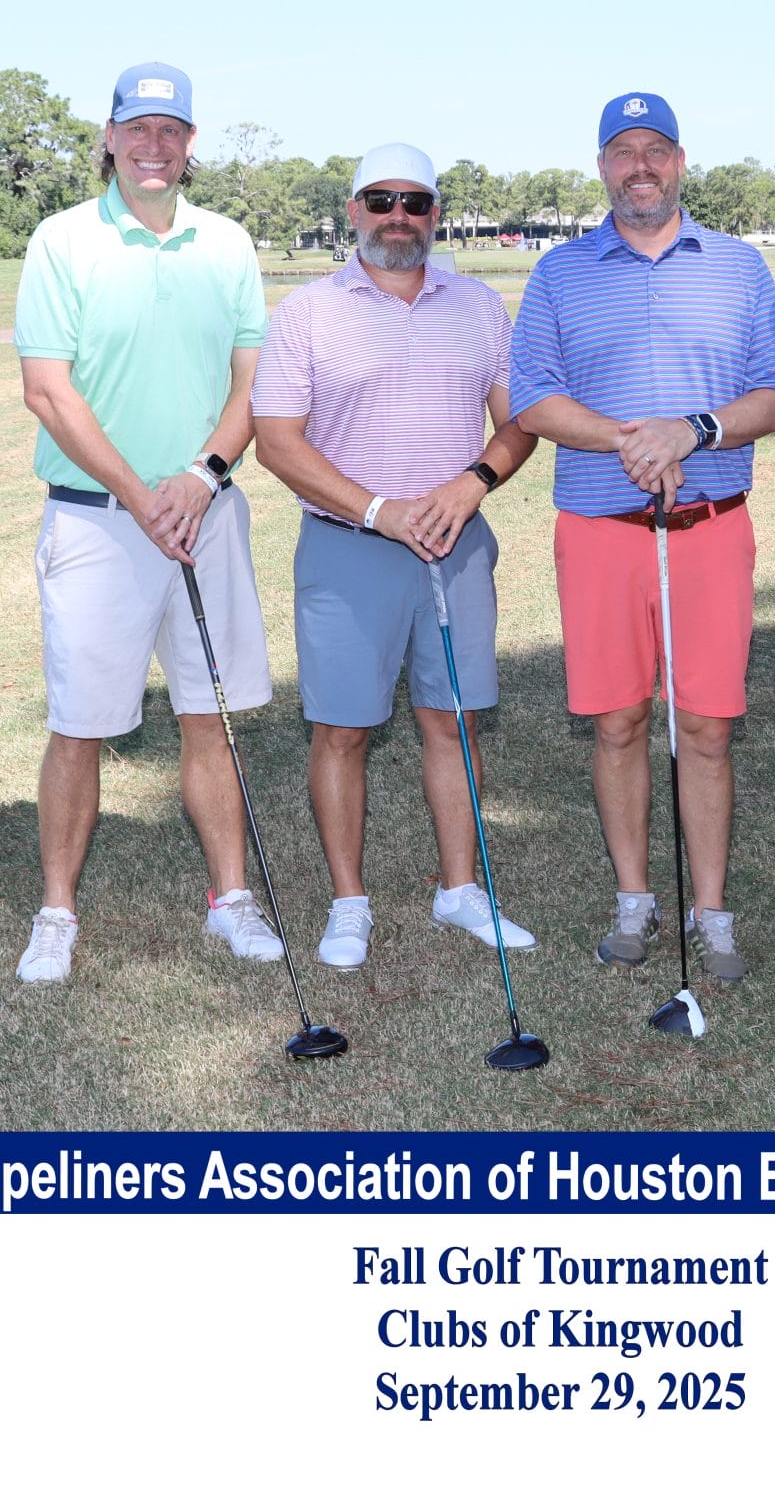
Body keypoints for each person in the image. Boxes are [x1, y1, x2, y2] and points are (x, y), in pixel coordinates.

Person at [509, 93, 775, 979]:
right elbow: (533, 397)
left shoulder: (739, 265)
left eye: (656, 149)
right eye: (623, 150)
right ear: (603, 166)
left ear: (680, 160)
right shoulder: (559, 272)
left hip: (709, 526)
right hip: (601, 530)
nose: (641, 165)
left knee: (706, 725)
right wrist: (631, 440)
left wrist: (692, 431)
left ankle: (711, 910)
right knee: (619, 720)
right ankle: (634, 898)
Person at [10, 61, 281, 982]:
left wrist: (202, 477)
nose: (154, 145)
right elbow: (48, 391)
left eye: (171, 130)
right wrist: (139, 492)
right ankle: (56, 911)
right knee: (80, 724)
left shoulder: (227, 243)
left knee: (209, 718)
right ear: (111, 137)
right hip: (98, 521)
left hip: (207, 513)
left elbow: (255, 384)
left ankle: (231, 899)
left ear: (190, 141)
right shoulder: (63, 240)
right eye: (138, 128)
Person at [251, 143, 540, 970]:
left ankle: (460, 888)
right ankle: (349, 901)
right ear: (354, 212)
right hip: (348, 548)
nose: (398, 216)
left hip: (455, 544)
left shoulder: (479, 306)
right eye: (381, 200)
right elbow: (277, 441)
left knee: (455, 719)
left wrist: (472, 484)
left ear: (435, 214)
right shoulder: (307, 313)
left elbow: (521, 419)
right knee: (342, 728)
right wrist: (379, 510)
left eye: (415, 202)